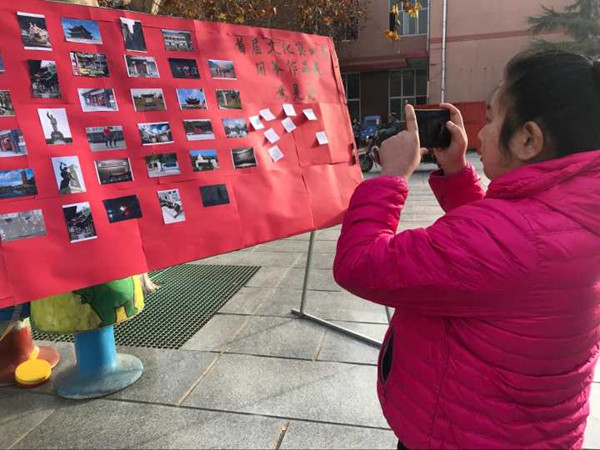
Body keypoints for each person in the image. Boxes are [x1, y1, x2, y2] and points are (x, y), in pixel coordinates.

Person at [333, 49, 600, 448]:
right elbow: (499, 255)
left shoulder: (513, 238)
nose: (479, 132)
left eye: (491, 118)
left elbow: (359, 264)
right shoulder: (575, 213)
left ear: (528, 139)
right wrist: (457, 173)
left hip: (459, 434)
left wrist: (388, 178)